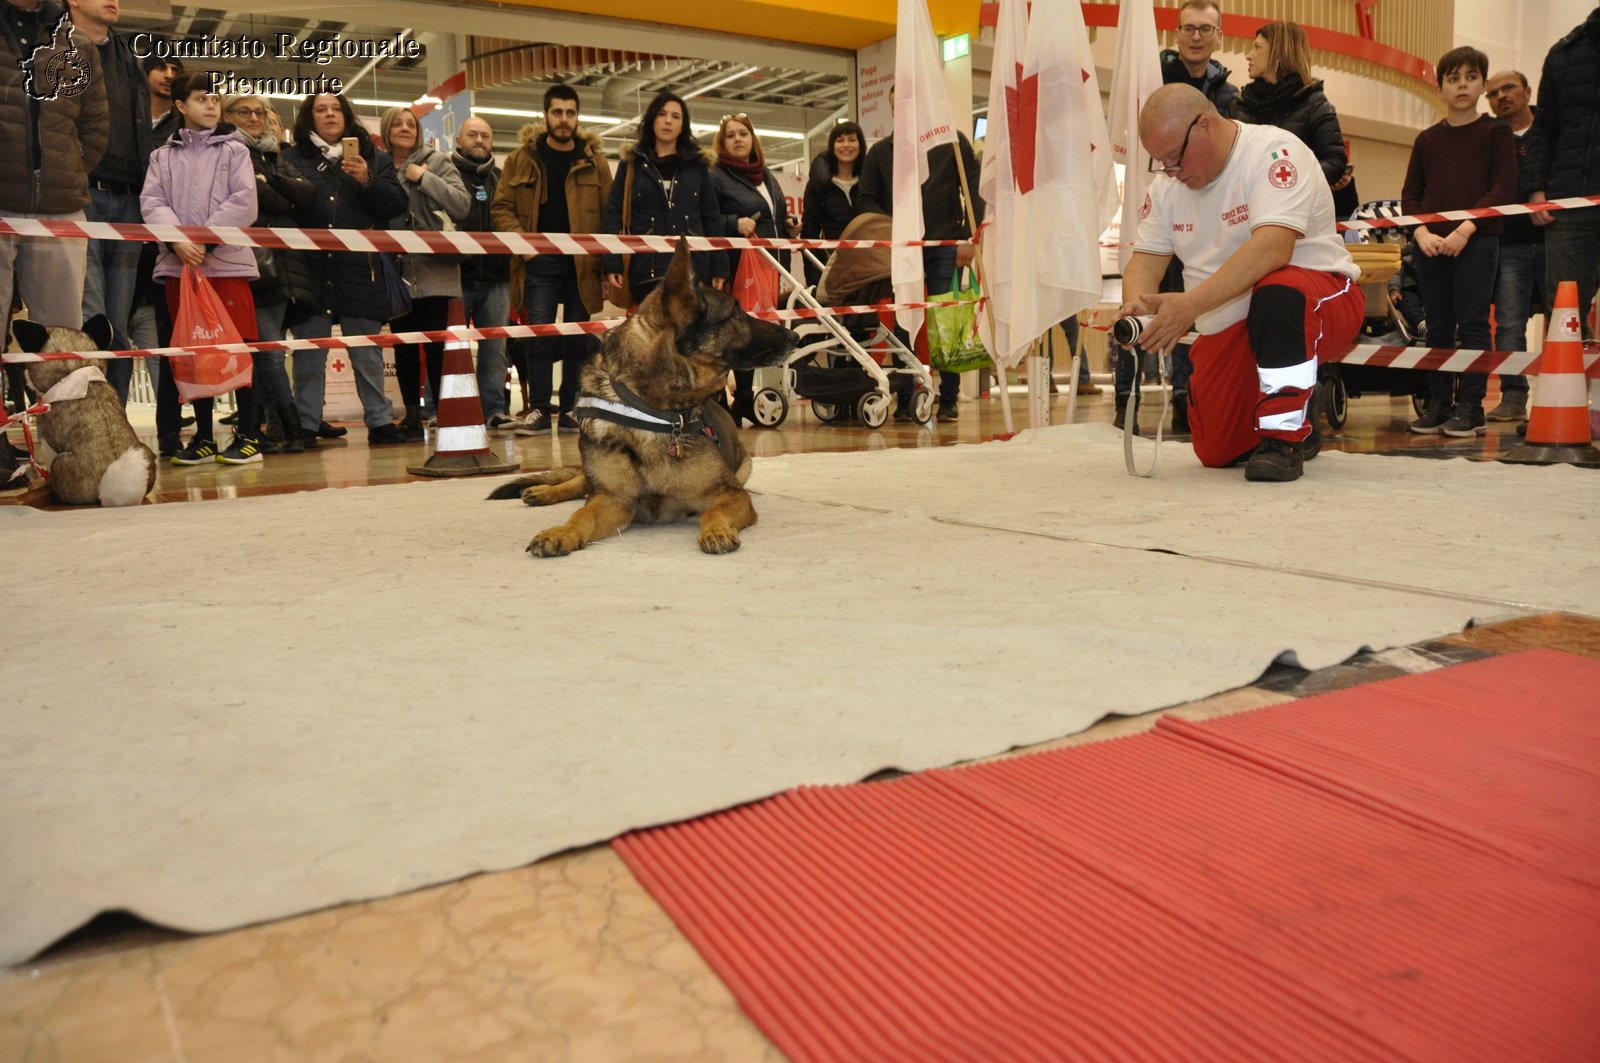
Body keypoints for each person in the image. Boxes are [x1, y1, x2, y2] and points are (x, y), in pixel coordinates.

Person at [1118, 84, 1363, 482]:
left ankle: (1284, 436)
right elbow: (1144, 263)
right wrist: (1137, 307)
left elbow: (1273, 249)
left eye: (1174, 158)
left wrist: (1190, 306)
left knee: (1277, 292)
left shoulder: (1275, 153)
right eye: (1160, 163)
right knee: (1216, 452)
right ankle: (1299, 401)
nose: (1170, 172)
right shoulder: (1167, 187)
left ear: (1204, 125)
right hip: (1232, 322)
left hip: (1318, 299)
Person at [1121, 0, 1239, 434]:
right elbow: (1145, 263)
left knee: (1201, 308)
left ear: (1218, 36)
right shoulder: (1150, 81)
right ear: (1176, 34)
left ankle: (1191, 400)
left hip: (1217, 225)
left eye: (1206, 30)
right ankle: (1126, 399)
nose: (1196, 37)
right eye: (1188, 28)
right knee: (1145, 304)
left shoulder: (1230, 96)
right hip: (1165, 211)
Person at [139, 71, 262, 465]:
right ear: (179, 106)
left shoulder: (235, 150)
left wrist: (205, 240)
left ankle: (249, 436)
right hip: (179, 269)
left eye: (215, 99)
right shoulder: (162, 156)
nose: (211, 106)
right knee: (194, 353)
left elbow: (245, 201)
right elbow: (152, 202)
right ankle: (205, 437)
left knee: (239, 349)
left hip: (226, 265)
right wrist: (177, 241)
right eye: (201, 99)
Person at [280, 92, 410, 446]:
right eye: (321, 110)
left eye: (336, 109)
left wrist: (368, 180)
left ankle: (380, 423)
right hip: (310, 270)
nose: (329, 114)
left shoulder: (374, 157)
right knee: (309, 354)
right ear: (310, 119)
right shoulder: (290, 159)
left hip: (361, 269)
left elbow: (397, 204)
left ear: (348, 116)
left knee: (367, 353)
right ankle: (306, 424)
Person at [1401, 46, 1516, 438]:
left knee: (1473, 325)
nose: (1462, 85)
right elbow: (1411, 196)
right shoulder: (1427, 139)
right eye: (1453, 78)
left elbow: (1502, 189)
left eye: (1470, 77)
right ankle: (1438, 405)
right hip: (1431, 245)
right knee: (1437, 327)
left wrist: (1465, 229)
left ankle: (1471, 407)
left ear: (1483, 85)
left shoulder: (1496, 133)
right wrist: (1422, 233)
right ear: (1440, 88)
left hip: (1478, 241)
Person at [855, 84, 982, 423]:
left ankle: (949, 396)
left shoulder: (953, 143)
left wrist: (970, 237)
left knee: (947, 324)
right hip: (901, 248)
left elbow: (973, 192)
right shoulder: (881, 152)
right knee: (902, 322)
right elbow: (865, 198)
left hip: (945, 245)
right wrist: (891, 226)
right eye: (900, 107)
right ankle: (907, 394)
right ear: (893, 109)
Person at [493, 84, 614, 435]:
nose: (564, 119)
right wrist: (523, 241)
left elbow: (609, 218)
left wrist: (608, 266)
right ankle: (540, 410)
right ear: (545, 115)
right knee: (539, 335)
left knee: (578, 338)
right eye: (557, 112)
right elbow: (501, 208)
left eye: (570, 112)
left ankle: (573, 409)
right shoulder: (520, 159)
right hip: (538, 261)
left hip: (582, 263)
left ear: (578, 117)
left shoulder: (595, 162)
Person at [0, 0, 107, 339]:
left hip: (61, 205)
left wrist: (70, 171)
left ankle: (62, 395)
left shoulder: (78, 43)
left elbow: (95, 123)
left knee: (62, 336)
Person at [68, 0, 149, 404]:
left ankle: (113, 417)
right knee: (91, 316)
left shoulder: (128, 57)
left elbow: (141, 126)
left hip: (130, 199)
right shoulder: (55, 45)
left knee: (118, 321)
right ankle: (88, 413)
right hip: (82, 195)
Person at [225, 93, 314, 453]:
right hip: (243, 263)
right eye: (244, 112)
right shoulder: (229, 154)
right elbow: (255, 200)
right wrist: (278, 191)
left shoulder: (274, 155)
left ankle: (288, 429)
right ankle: (270, 427)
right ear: (228, 116)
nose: (253, 118)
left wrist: (270, 182)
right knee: (258, 351)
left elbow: (306, 196)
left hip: (278, 269)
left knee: (269, 351)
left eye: (258, 112)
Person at [379, 105, 470, 439]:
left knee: (436, 349)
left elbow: (461, 204)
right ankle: (412, 417)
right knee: (403, 347)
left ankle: (443, 412)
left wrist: (425, 178)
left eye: (410, 123)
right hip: (397, 274)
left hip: (437, 273)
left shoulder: (438, 161)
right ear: (387, 131)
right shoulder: (381, 168)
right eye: (398, 124)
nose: (405, 128)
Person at [601, 90, 727, 312]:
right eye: (662, 114)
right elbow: (614, 213)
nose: (668, 121)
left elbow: (711, 218)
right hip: (646, 269)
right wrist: (612, 261)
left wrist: (719, 267)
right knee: (652, 342)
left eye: (675, 116)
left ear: (683, 125)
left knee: (687, 342)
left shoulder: (698, 166)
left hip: (692, 269)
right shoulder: (632, 163)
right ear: (652, 119)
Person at [713, 112, 798, 426]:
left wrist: (789, 226)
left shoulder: (766, 176)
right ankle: (723, 399)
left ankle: (745, 399)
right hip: (735, 266)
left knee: (751, 333)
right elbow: (709, 220)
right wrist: (733, 223)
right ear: (722, 142)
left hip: (768, 265)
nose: (737, 139)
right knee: (730, 335)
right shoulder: (716, 175)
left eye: (743, 134)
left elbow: (776, 220)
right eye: (731, 135)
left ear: (752, 140)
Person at [1524, 7, 1600, 343]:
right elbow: (1544, 128)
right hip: (1569, 200)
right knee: (1565, 314)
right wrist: (1537, 189)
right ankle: (1564, 397)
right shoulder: (1563, 53)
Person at [1485, 70, 1543, 423]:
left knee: (1572, 321)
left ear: (1527, 91)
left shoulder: (1552, 132)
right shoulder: (1490, 138)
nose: (1501, 96)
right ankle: (1513, 396)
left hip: (1559, 238)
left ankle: (1584, 397)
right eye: (1492, 93)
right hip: (1509, 244)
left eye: (1509, 88)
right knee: (1508, 323)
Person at [449, 116, 515, 431]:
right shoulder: (445, 176)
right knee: (450, 349)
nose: (479, 139)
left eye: (485, 135)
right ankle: (442, 411)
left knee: (495, 349)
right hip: (454, 276)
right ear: (459, 140)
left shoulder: (502, 180)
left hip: (497, 277)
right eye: (472, 133)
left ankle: (493, 410)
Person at [1232, 22, 1348, 191]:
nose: (1248, 55)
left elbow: (1335, 163)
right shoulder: (1240, 104)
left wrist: (1287, 180)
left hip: (1294, 207)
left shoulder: (1314, 103)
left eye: (1257, 47)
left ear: (1278, 54)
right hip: (1245, 209)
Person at [802, 120, 865, 287]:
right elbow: (810, 232)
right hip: (834, 267)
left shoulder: (869, 182)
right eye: (840, 140)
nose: (846, 145)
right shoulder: (819, 184)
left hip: (869, 265)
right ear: (832, 145)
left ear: (860, 145)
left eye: (852, 139)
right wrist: (815, 277)